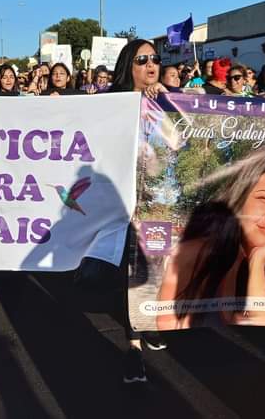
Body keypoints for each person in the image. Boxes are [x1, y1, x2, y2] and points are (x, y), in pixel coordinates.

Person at [157, 143, 265, 329]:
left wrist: (258, 263)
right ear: (240, 197)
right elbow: (166, 325)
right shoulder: (193, 254)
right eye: (264, 199)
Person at [109, 39, 169, 383]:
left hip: (159, 200)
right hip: (123, 201)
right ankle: (134, 348)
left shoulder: (168, 101)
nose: (151, 65)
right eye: (142, 59)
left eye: (155, 59)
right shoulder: (113, 104)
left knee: (153, 268)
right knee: (133, 271)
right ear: (127, 66)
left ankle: (146, 323)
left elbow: (178, 143)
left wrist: (165, 103)